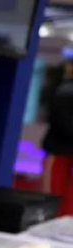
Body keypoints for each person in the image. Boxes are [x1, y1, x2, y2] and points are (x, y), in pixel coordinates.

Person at [42, 60, 73, 214]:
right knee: (53, 197)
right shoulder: (59, 91)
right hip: (59, 151)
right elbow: (61, 120)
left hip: (65, 150)